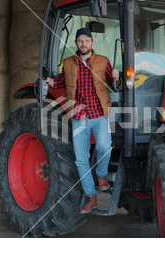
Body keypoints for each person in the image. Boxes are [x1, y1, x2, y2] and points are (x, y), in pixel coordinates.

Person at [46, 27, 120, 214]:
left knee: (105, 147)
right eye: (80, 41)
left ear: (92, 42)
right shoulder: (69, 63)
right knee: (81, 160)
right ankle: (91, 197)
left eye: (87, 40)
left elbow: (113, 85)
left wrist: (117, 78)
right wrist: (52, 82)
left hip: (98, 113)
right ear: (76, 43)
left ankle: (101, 176)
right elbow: (63, 82)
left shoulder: (103, 61)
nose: (83, 44)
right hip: (79, 115)